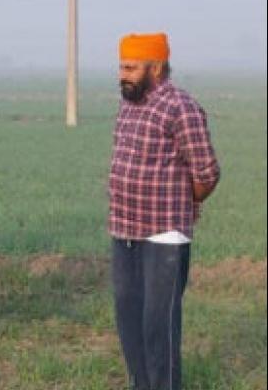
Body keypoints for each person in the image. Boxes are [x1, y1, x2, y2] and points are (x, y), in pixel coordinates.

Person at [109, 33, 220, 389]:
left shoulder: (180, 107)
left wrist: (189, 203)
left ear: (156, 67)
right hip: (124, 230)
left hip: (164, 234)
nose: (122, 75)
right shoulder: (129, 105)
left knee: (159, 326)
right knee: (129, 322)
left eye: (130, 67)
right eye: (121, 66)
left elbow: (207, 171)